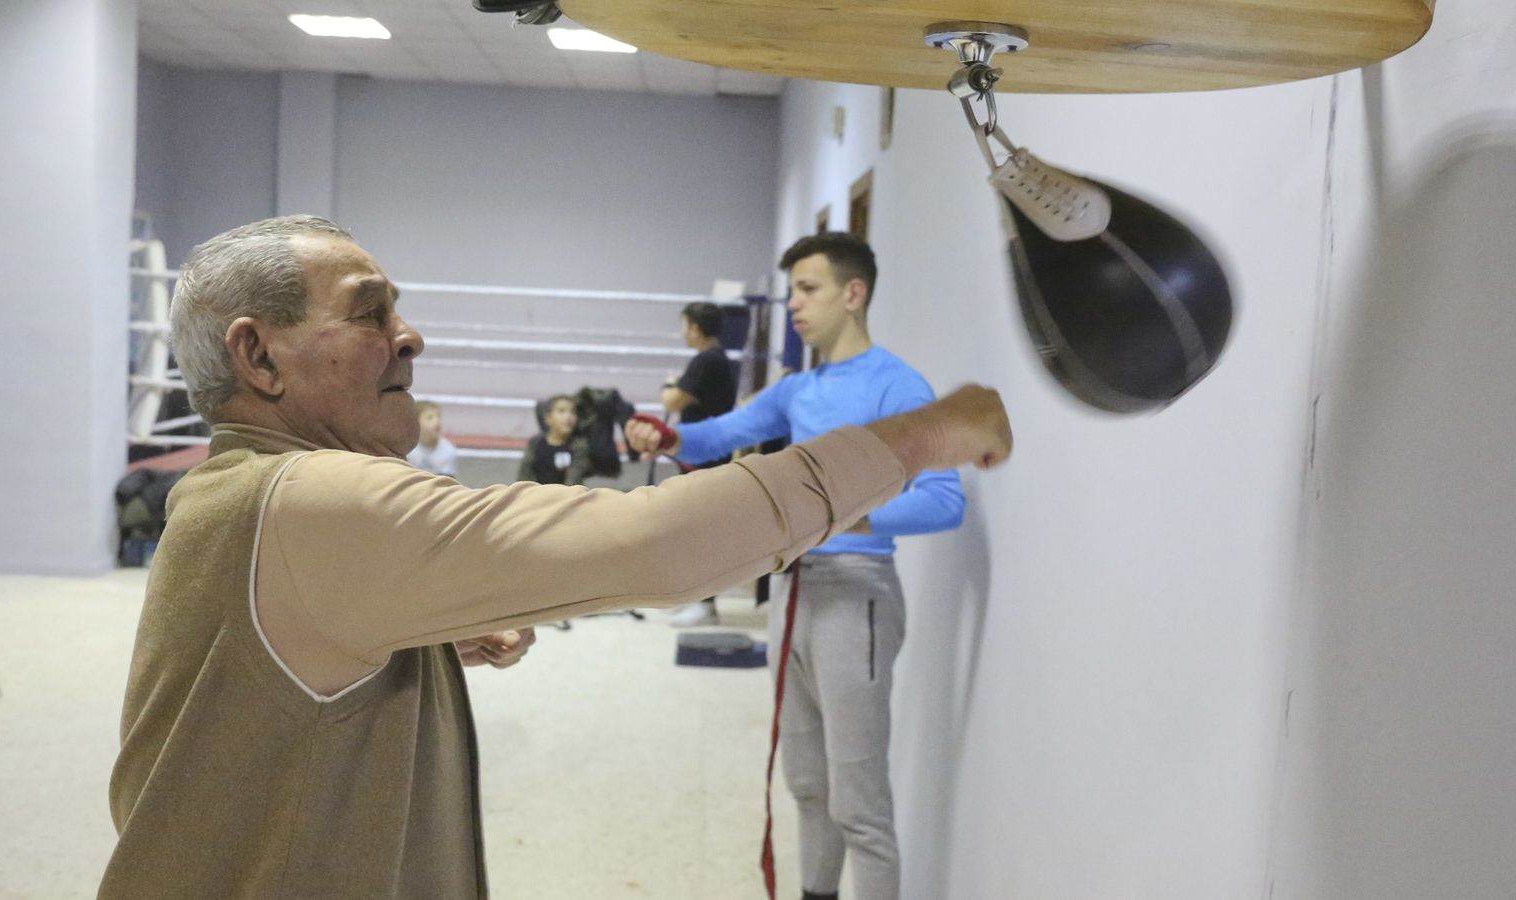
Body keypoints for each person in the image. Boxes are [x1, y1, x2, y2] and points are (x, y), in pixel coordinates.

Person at [100, 216, 1012, 900]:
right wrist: (922, 435)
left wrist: (413, 629)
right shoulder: (314, 502)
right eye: (369, 314)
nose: (409, 336)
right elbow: (662, 545)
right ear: (258, 356)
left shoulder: (230, 493)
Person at [627, 232, 964, 900]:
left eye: (807, 289)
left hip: (856, 596)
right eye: (791, 292)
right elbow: (719, 434)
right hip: (794, 591)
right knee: (808, 786)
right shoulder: (799, 388)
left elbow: (944, 500)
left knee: (858, 802)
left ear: (853, 293)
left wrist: (847, 514)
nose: (794, 305)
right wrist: (666, 437)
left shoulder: (897, 385)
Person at [661, 300, 739, 626]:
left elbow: (672, 400)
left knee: (701, 531)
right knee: (693, 528)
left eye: (685, 326)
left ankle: (705, 605)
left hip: (706, 457)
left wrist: (668, 384)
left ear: (694, 326)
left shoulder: (707, 361)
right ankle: (698, 598)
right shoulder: (714, 360)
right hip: (702, 454)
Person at [516, 394, 590, 485]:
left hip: (567, 496)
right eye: (561, 411)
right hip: (536, 494)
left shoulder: (579, 446)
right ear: (548, 418)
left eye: (573, 412)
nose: (568, 417)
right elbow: (524, 476)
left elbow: (573, 481)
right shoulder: (536, 442)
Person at [406, 399, 459, 476]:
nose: (437, 421)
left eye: (438, 417)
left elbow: (447, 481)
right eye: (430, 418)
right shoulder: (407, 449)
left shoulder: (448, 450)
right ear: (415, 422)